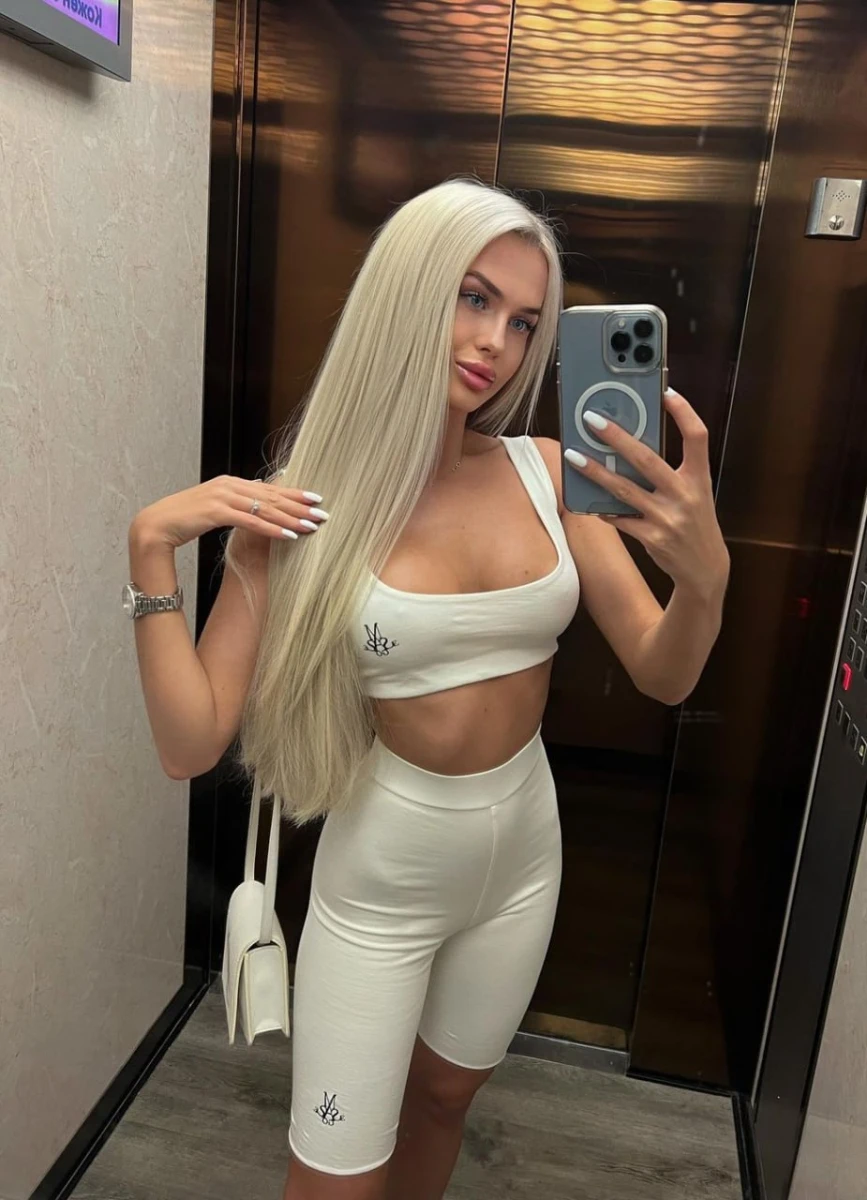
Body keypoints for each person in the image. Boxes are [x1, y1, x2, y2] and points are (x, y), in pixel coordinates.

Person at [127, 178, 730, 1200]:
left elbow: (662, 672)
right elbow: (189, 746)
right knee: (333, 1179)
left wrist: (706, 583)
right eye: (473, 297)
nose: (498, 341)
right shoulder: (302, 512)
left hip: (524, 858)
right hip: (382, 883)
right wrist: (150, 554)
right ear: (407, 290)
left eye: (524, 320)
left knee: (447, 1099)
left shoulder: (551, 472)